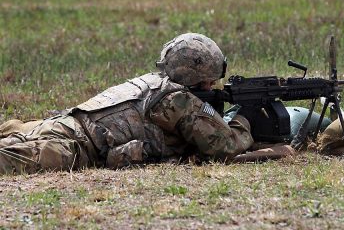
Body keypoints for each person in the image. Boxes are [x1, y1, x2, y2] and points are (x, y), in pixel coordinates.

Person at [0, 33, 254, 174]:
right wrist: (243, 121)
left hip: (63, 124)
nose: (212, 87)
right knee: (9, 159)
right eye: (209, 82)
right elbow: (225, 147)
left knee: (14, 137)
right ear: (195, 77)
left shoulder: (153, 82)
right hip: (74, 147)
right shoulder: (177, 100)